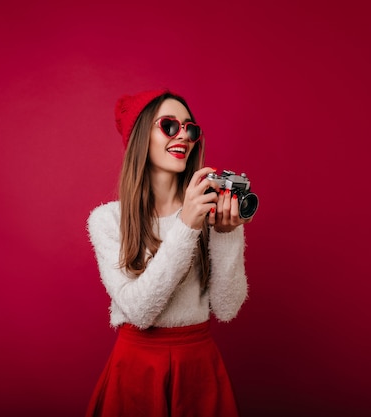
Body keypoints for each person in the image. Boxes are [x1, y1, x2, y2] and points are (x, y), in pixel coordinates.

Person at [85, 89, 253, 417]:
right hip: (137, 369)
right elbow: (140, 311)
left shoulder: (207, 209)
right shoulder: (107, 220)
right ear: (139, 136)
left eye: (190, 128)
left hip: (199, 367)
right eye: (169, 126)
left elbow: (228, 308)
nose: (184, 137)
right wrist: (187, 225)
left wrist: (226, 235)